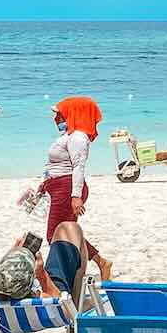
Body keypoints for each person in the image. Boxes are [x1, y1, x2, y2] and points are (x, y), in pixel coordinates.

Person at [40, 96, 112, 279]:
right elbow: (58, 165)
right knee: (66, 233)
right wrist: (45, 183)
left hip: (67, 189)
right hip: (59, 187)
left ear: (71, 113)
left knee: (54, 235)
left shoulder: (78, 138)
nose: (55, 118)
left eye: (58, 114)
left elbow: (78, 166)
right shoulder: (69, 136)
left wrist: (75, 196)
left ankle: (91, 264)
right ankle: (96, 263)